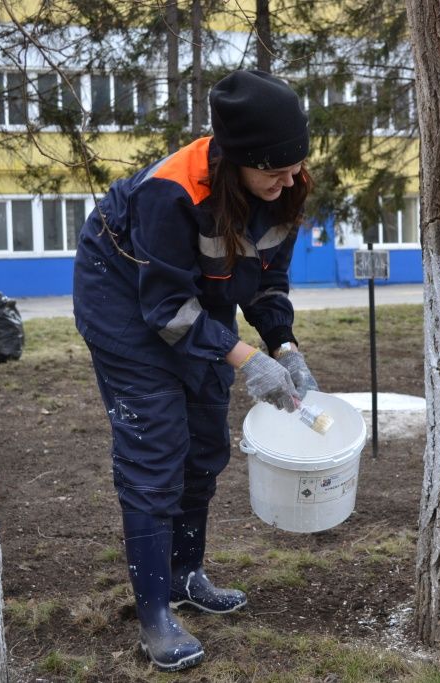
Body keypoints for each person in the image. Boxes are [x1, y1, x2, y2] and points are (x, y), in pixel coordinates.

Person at [72, 69, 319, 672]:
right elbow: (162, 309)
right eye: (274, 170)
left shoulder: (284, 185)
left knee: (206, 443)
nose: (289, 180)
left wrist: (283, 348)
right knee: (156, 450)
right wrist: (243, 356)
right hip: (124, 301)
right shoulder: (171, 192)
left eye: (294, 167)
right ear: (235, 160)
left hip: (192, 295)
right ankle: (155, 616)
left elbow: (266, 281)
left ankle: (186, 577)